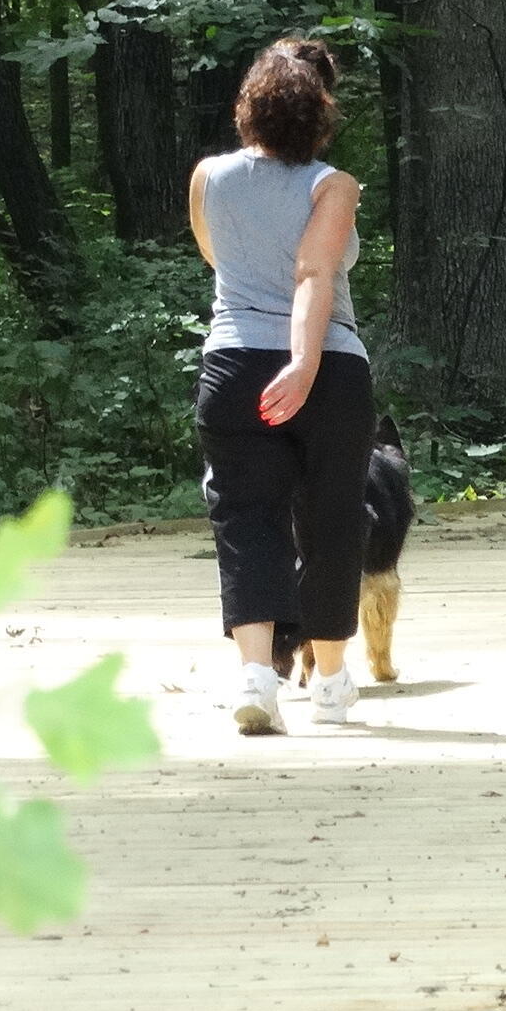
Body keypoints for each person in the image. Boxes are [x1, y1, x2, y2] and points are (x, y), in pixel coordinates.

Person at [188, 38, 374, 735]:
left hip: (233, 365)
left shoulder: (209, 176)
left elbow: (217, 257)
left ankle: (256, 680)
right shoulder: (333, 185)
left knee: (245, 517)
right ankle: (328, 683)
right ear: (320, 112)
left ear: (250, 107)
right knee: (333, 517)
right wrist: (302, 364)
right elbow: (313, 274)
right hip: (328, 370)